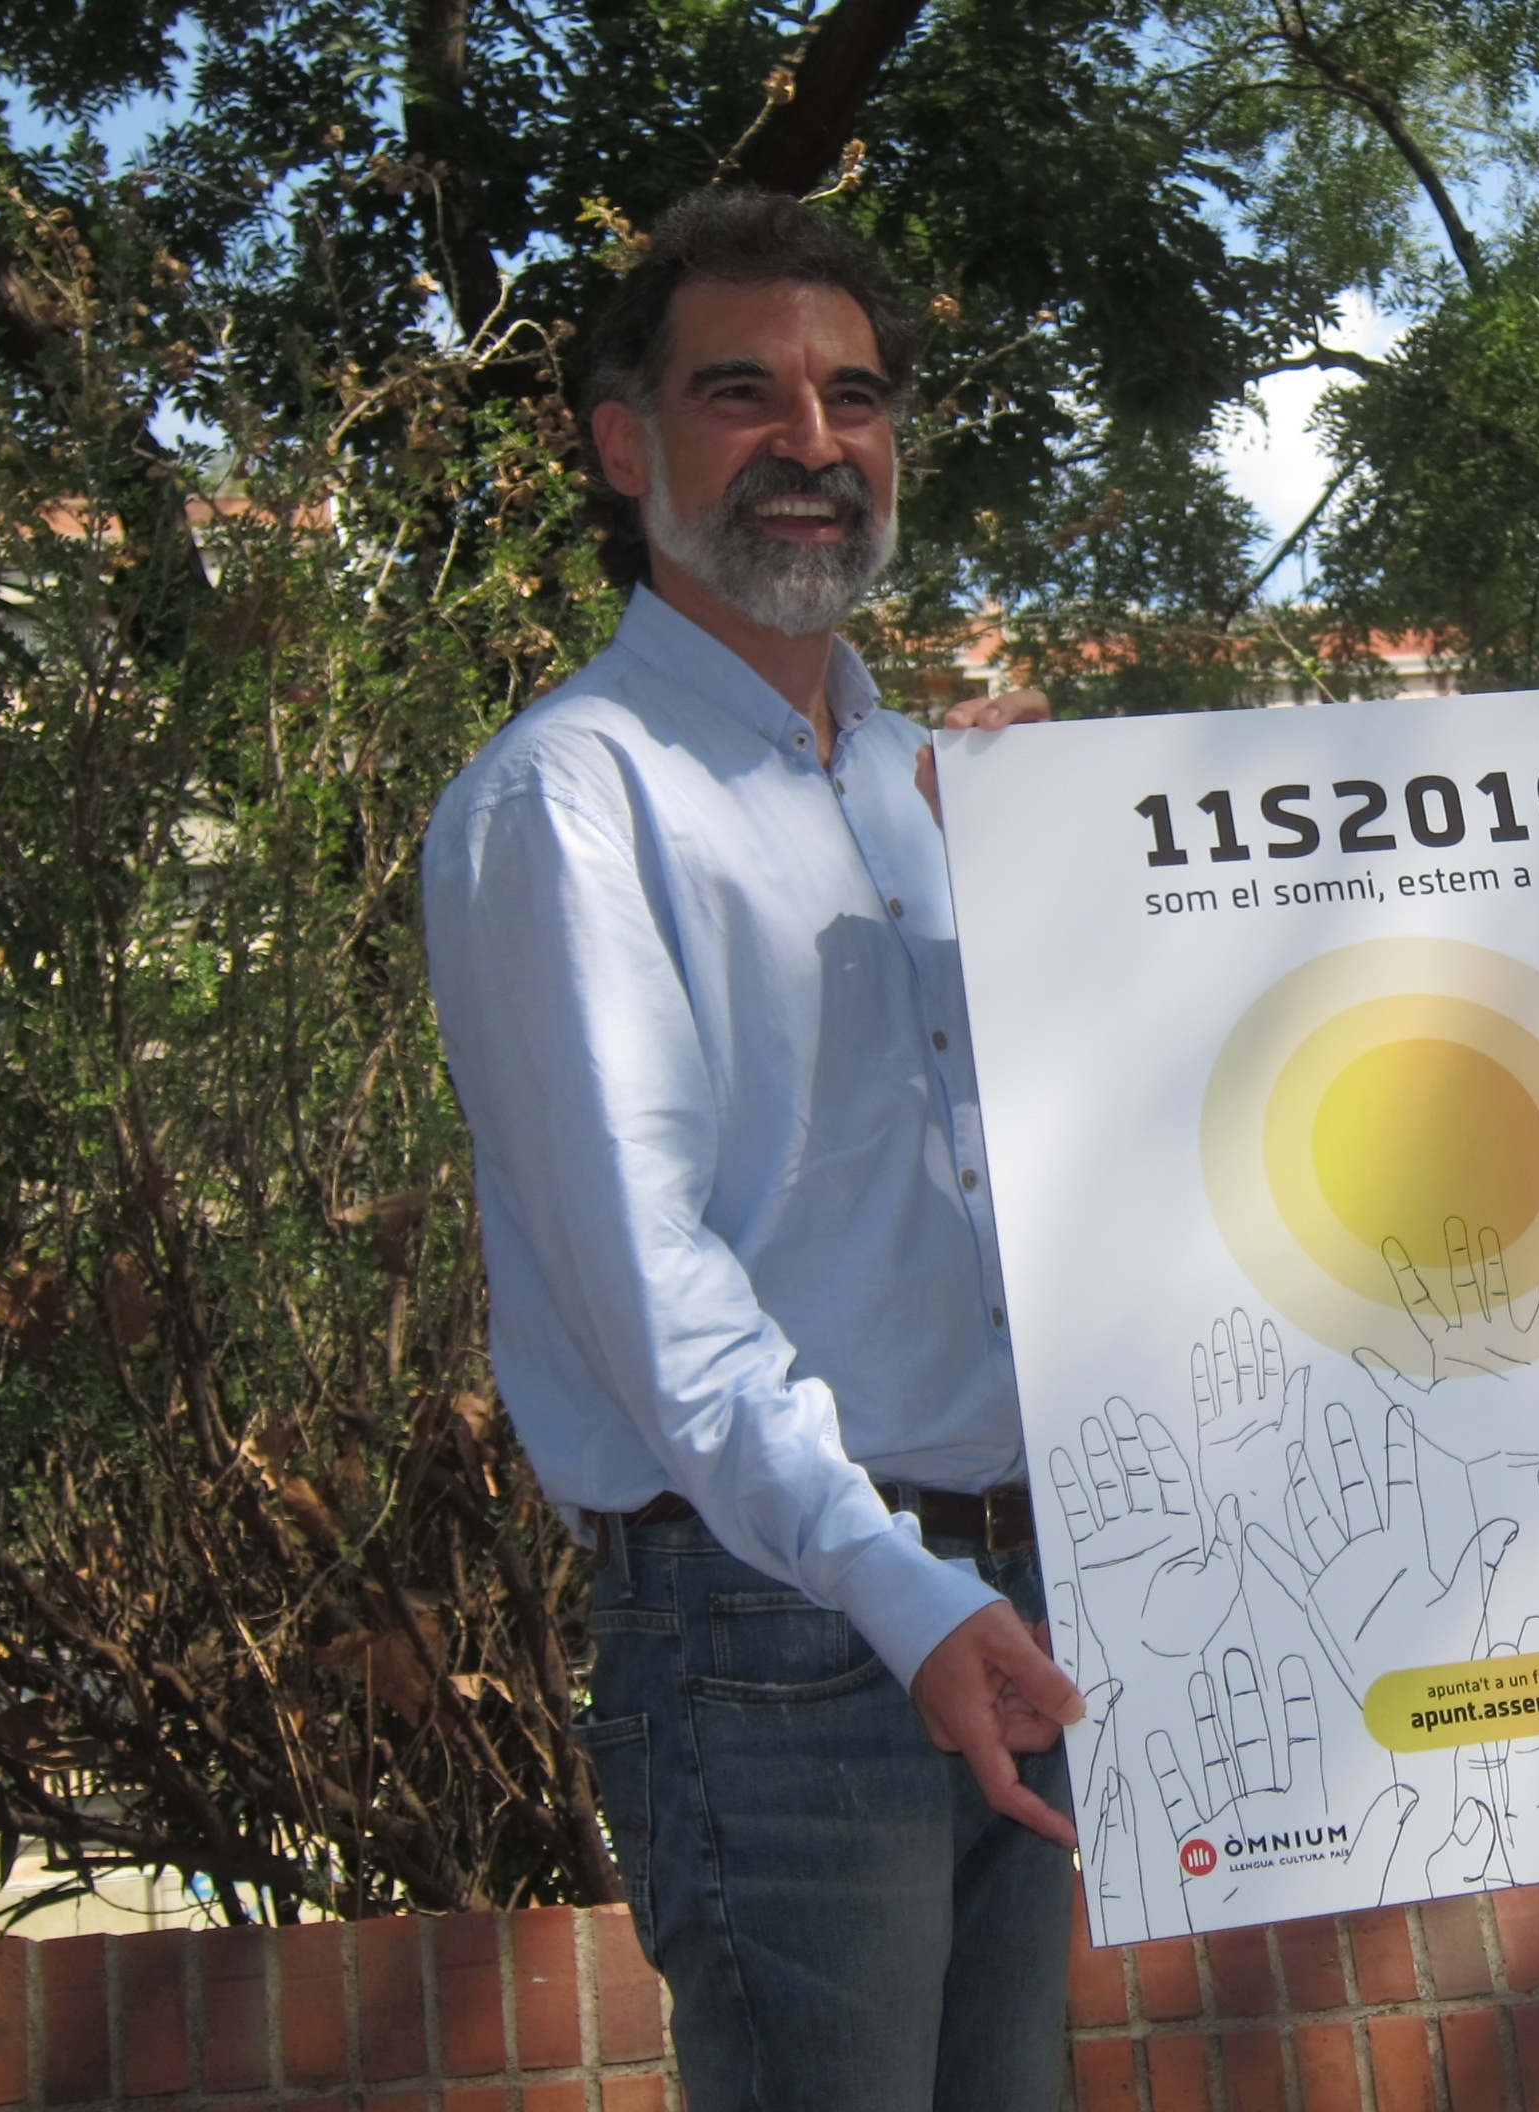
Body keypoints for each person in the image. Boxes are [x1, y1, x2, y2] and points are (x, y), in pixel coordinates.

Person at [422, 188, 1077, 2112]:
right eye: (744, 396)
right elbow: (652, 1289)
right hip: (776, 1627)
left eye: (853, 398)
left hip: (1018, 1589)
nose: (813, 443)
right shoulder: (568, 801)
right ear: (628, 450)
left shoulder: (937, 786)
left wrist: (1079, 898)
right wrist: (904, 1593)